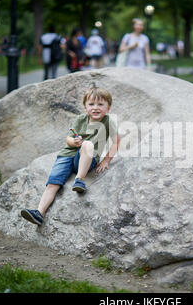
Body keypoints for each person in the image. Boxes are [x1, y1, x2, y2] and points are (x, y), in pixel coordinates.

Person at [20, 87, 120, 226]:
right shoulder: (81, 119)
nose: (95, 108)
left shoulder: (108, 122)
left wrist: (106, 160)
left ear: (108, 107)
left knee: (88, 145)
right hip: (67, 155)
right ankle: (39, 213)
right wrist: (73, 141)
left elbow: (116, 142)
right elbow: (68, 138)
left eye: (100, 104)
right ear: (85, 107)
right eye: (91, 104)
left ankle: (79, 179)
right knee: (53, 183)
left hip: (86, 158)